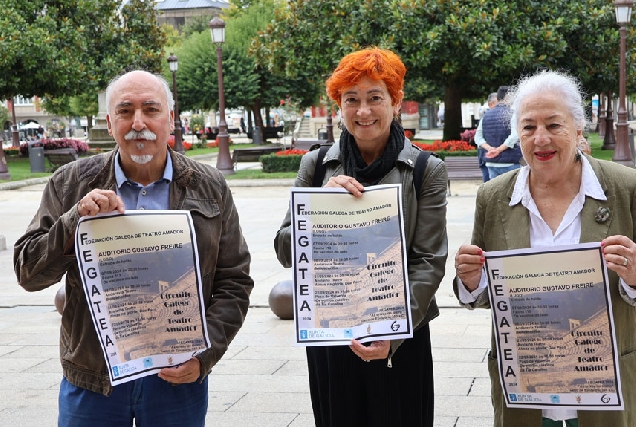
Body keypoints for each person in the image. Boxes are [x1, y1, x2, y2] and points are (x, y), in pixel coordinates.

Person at [13, 70, 254, 426]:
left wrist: (206, 354)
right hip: (94, 379)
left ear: (170, 120)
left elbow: (234, 280)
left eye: (151, 109)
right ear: (110, 123)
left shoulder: (209, 186)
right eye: (125, 111)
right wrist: (74, 220)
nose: (138, 122)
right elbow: (27, 273)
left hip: (176, 378)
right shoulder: (71, 183)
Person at [274, 47, 448, 426]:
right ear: (339, 105)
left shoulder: (424, 170)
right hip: (332, 332)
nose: (363, 111)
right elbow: (286, 249)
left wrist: (395, 334)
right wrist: (318, 208)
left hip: (402, 332)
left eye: (375, 98)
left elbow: (430, 261)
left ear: (396, 101)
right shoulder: (316, 165)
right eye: (351, 99)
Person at [454, 70, 636, 427]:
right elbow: (480, 294)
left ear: (578, 127)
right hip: (525, 394)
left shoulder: (625, 189)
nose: (540, 139)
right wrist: (471, 279)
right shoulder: (493, 197)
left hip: (607, 394)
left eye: (554, 125)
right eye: (528, 127)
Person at [474, 85, 523, 180]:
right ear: (508, 97)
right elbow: (514, 136)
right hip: (510, 162)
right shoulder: (512, 114)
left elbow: (478, 138)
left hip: (491, 162)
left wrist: (490, 149)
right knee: (512, 192)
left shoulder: (485, 116)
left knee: (495, 192)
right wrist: (499, 150)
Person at [475, 92, 498, 182]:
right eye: (498, 103)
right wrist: (489, 148)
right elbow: (478, 138)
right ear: (490, 104)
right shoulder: (485, 118)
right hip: (486, 158)